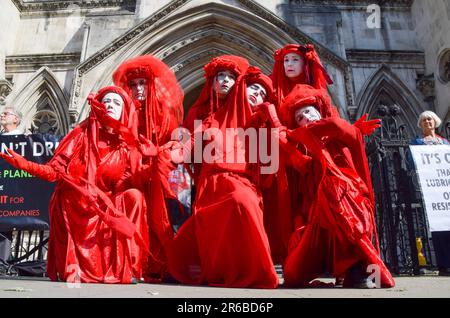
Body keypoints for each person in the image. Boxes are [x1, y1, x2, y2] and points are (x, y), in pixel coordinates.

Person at [0, 86, 153, 284]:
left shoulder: (124, 146)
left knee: (135, 196)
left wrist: (157, 162)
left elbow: (126, 182)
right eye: (106, 101)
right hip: (77, 204)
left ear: (125, 111)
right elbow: (55, 172)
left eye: (116, 103)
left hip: (106, 204)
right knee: (72, 192)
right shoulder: (80, 134)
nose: (110, 106)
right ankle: (78, 266)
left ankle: (127, 266)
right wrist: (26, 165)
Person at [167, 56, 278, 288]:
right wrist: (178, 152)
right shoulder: (208, 117)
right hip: (212, 182)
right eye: (253, 88)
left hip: (242, 181)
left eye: (262, 93)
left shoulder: (257, 119)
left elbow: (271, 154)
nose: (257, 94)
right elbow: (191, 142)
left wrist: (272, 120)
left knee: (242, 201)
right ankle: (219, 269)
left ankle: (251, 269)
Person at [277, 84, 395, 288]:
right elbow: (298, 161)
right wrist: (282, 132)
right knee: (293, 274)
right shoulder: (310, 149)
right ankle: (350, 270)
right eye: (300, 118)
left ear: (318, 110)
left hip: (351, 200)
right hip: (324, 213)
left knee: (335, 188)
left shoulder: (342, 131)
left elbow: (336, 126)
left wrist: (296, 132)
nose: (305, 118)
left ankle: (357, 269)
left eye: (308, 112)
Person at [112, 55, 184, 281]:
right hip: (130, 171)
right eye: (132, 84)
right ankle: (133, 264)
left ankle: (160, 265)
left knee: (158, 218)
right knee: (134, 210)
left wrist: (159, 155)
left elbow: (174, 141)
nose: (137, 88)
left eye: (142, 83)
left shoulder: (163, 113)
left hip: (156, 172)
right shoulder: (124, 115)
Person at [411, 111, 450, 276]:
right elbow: (411, 161)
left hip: (446, 188)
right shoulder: (418, 143)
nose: (427, 122)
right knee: (438, 228)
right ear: (421, 125)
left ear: (435, 122)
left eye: (430, 119)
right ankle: (443, 264)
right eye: (424, 120)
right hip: (431, 190)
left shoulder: (446, 143)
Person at [0, 106, 25, 270]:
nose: (2, 115)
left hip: (11, 189)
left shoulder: (23, 140)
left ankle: (2, 261)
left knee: (4, 226)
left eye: (6, 113)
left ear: (16, 119)